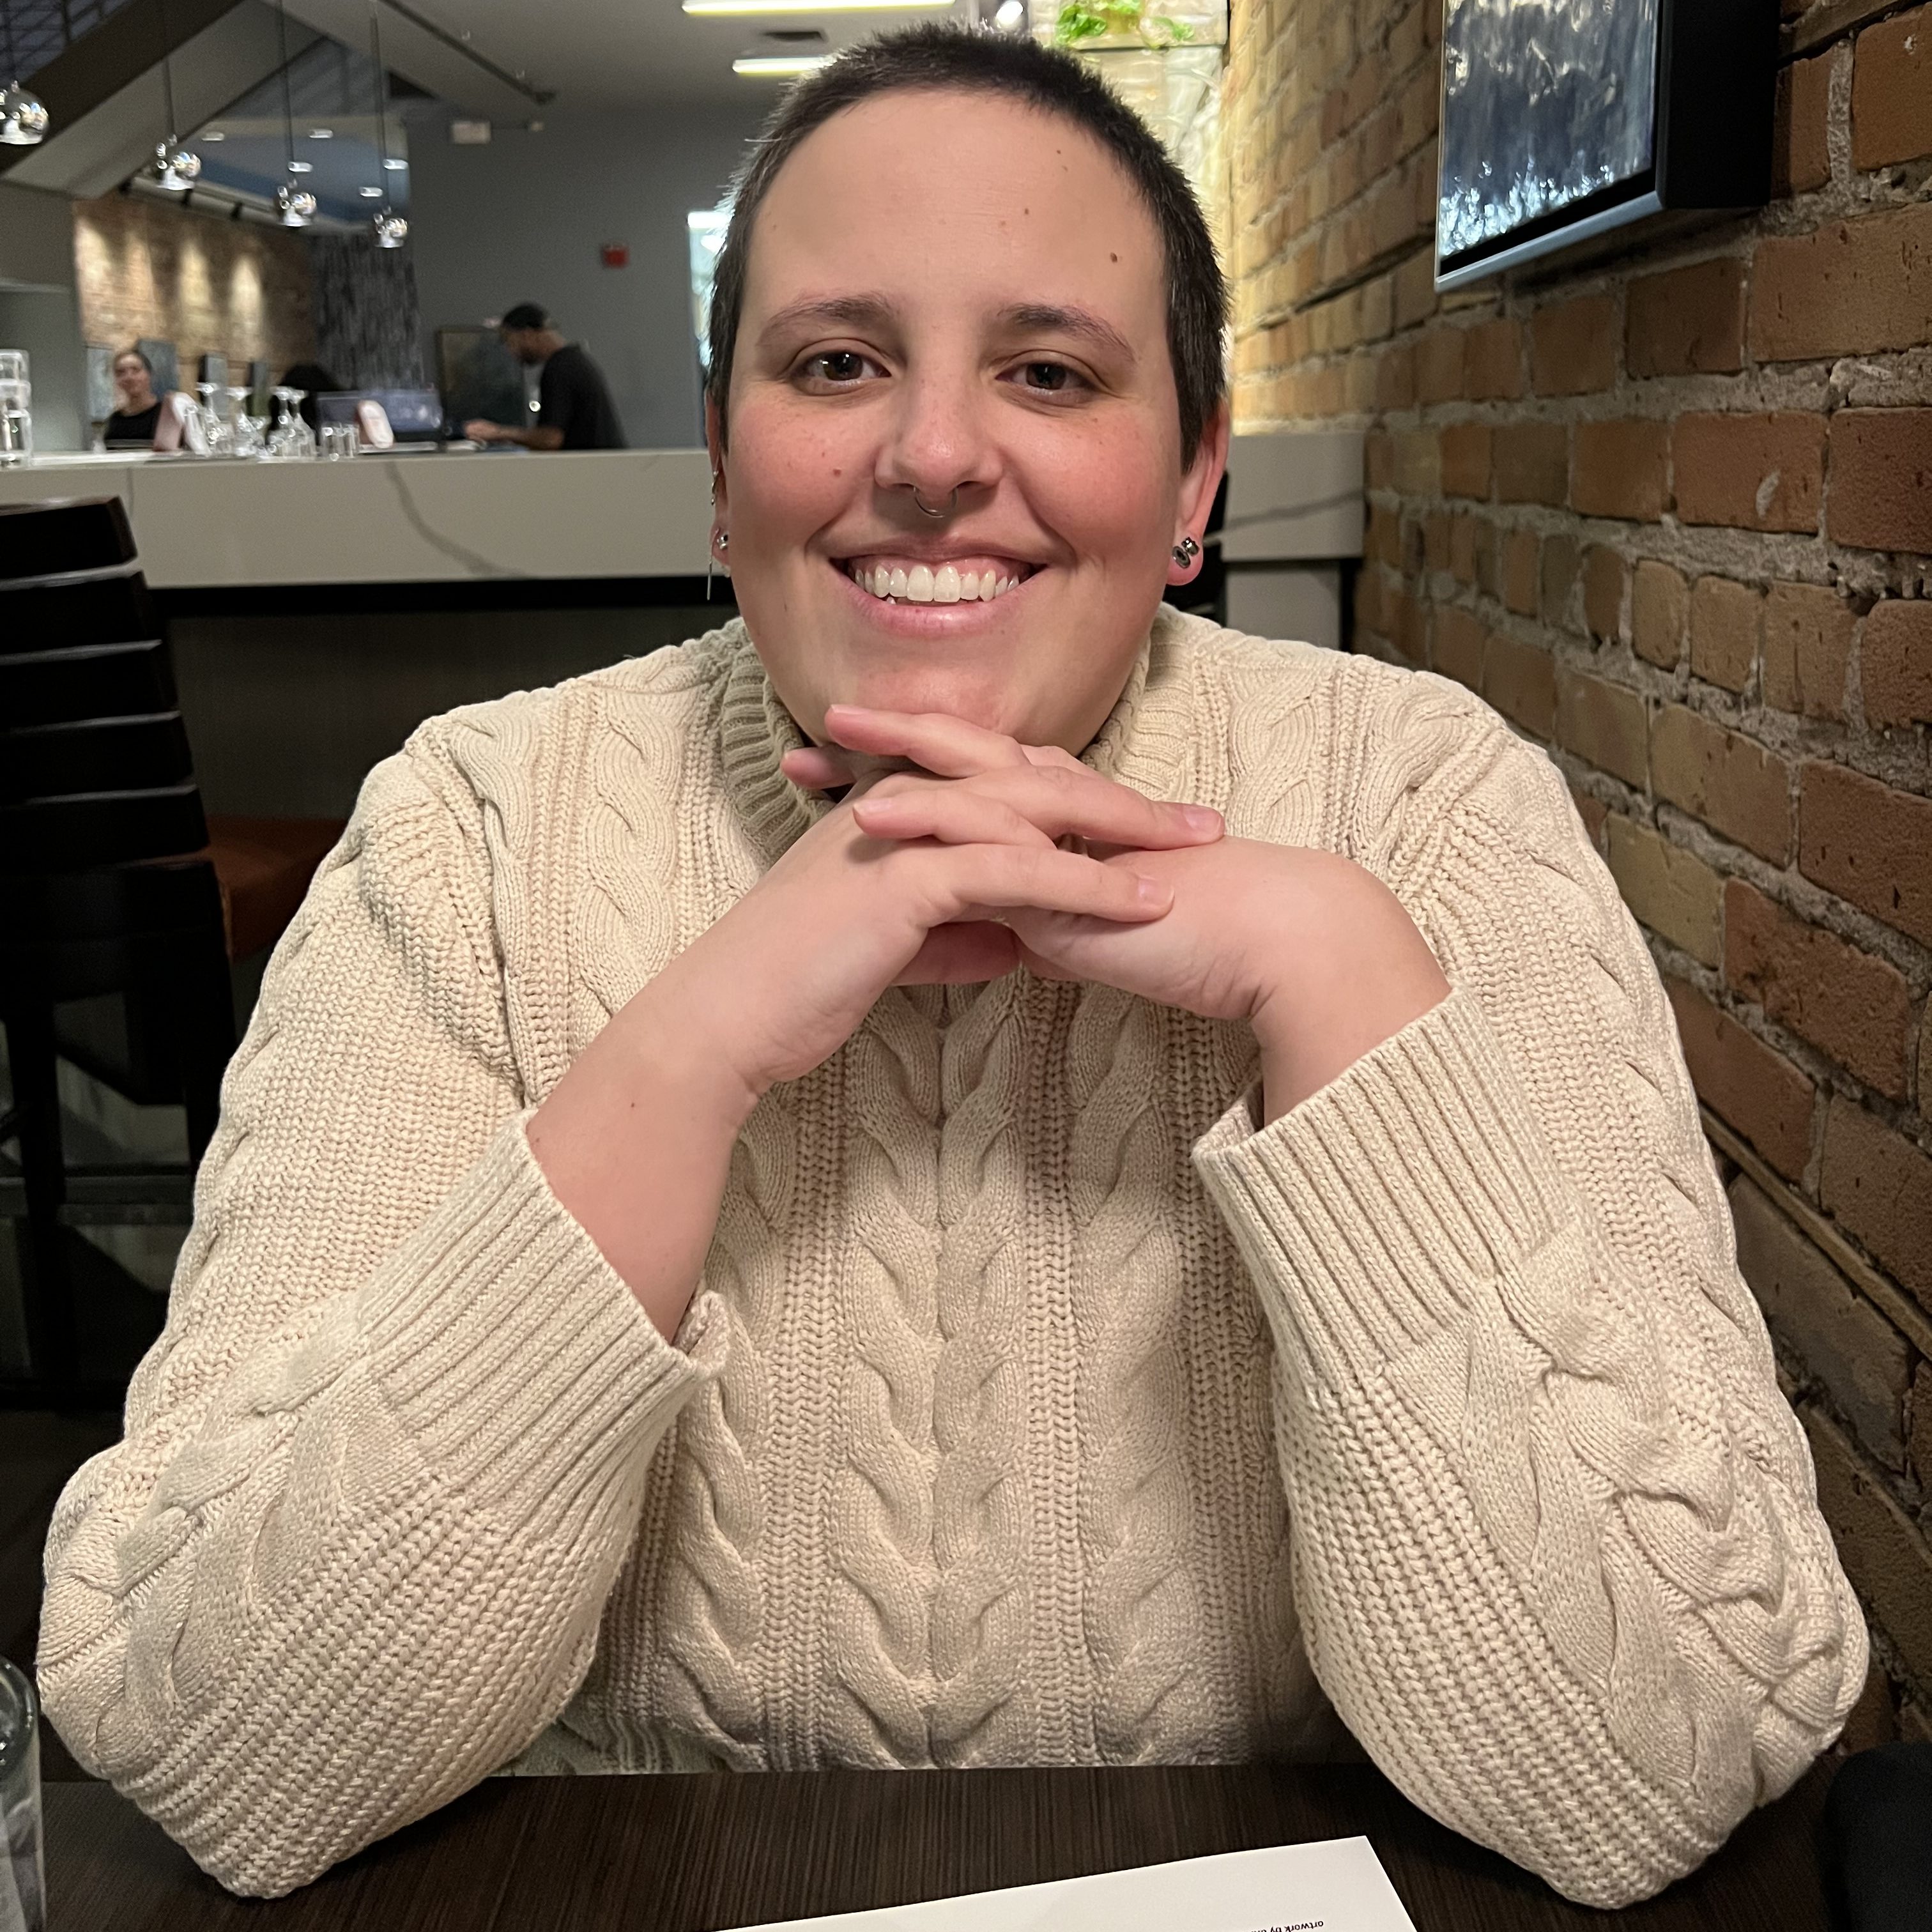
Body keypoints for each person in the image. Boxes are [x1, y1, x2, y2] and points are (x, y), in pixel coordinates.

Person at [39, 24, 1862, 1912]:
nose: (928, 457)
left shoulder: (1428, 808)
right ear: (721, 462)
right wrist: (682, 1055)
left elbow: (1659, 1763)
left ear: (1196, 477)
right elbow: (215, 1744)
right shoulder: (475, 838)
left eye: (1050, 371)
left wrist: (1333, 980)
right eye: (837, 363)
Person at [463, 303, 626, 450]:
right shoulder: (574, 361)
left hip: (592, 469)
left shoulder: (560, 368)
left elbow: (550, 439)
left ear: (527, 335)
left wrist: (497, 432)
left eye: (510, 342)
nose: (512, 352)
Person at [100, 347, 163, 446]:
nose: (129, 378)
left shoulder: (165, 415)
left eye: (136, 370)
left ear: (149, 375)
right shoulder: (113, 422)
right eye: (120, 373)